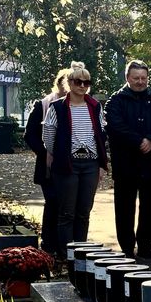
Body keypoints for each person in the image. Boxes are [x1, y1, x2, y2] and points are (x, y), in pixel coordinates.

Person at [104, 60, 151, 259]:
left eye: (144, 78)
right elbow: (115, 126)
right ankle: (126, 246)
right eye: (136, 78)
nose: (140, 82)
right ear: (127, 78)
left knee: (150, 208)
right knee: (125, 207)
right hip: (126, 162)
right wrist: (139, 141)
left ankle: (146, 245)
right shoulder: (115, 101)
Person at [42, 61, 108, 256]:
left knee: (83, 212)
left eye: (86, 83)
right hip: (67, 164)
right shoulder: (57, 108)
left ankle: (81, 254)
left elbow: (101, 133)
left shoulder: (95, 106)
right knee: (67, 212)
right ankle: (65, 254)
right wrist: (58, 154)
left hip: (90, 164)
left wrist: (101, 165)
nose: (82, 86)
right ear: (69, 83)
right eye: (78, 82)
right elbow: (48, 134)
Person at [24, 67, 69, 256]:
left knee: (67, 204)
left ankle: (64, 242)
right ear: (60, 85)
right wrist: (45, 153)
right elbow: (30, 135)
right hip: (48, 166)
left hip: (69, 165)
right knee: (53, 201)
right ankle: (49, 242)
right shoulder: (43, 105)